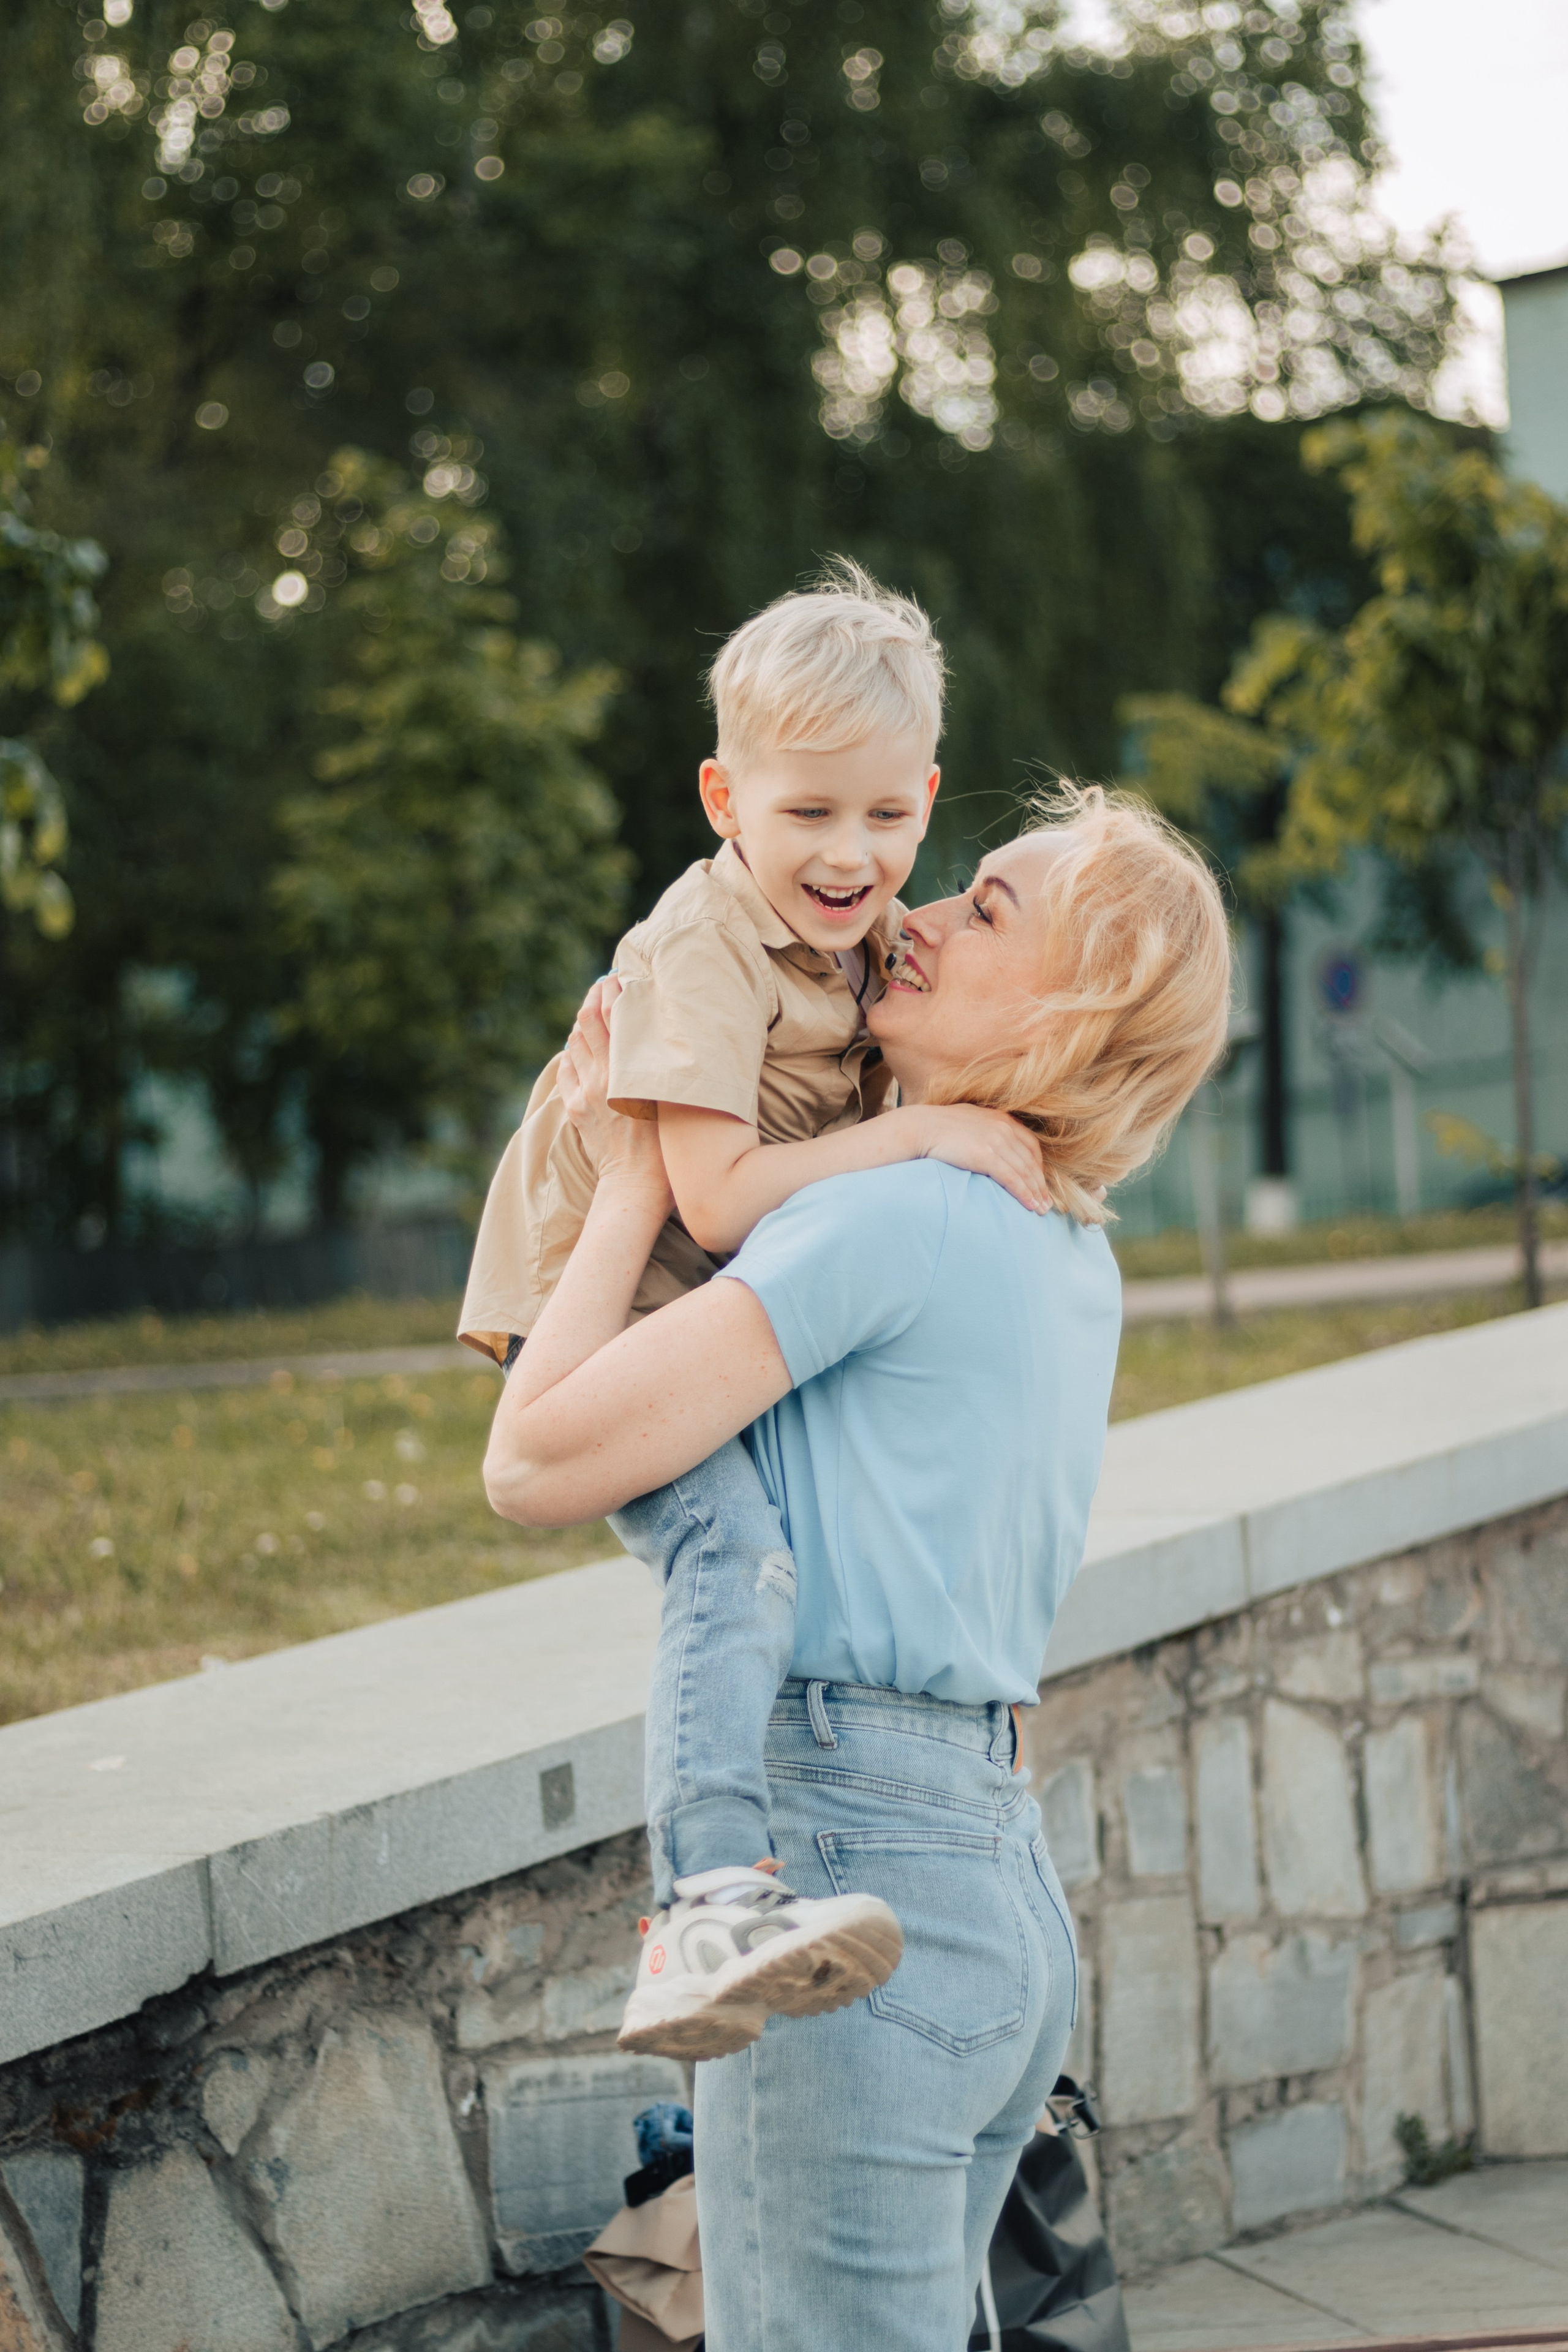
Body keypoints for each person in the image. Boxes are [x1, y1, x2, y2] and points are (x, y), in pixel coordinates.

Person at [484, 785, 1232, 2351]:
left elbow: (534, 1460)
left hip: (843, 1872)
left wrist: (628, 1184)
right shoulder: (1066, 1251)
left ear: (1069, 1011)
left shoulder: (898, 1216)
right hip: (995, 1885)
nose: (925, 915)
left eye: (989, 912)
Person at [462, 563, 1053, 2056]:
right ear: (724, 798)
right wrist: (925, 1134)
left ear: (924, 797)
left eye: (884, 816)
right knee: (733, 1549)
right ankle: (702, 1898)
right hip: (609, 1298)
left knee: (780, 1540)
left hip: (703, 1294)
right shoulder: (700, 947)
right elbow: (716, 1198)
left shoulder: (865, 932)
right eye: (806, 814)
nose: (850, 855)